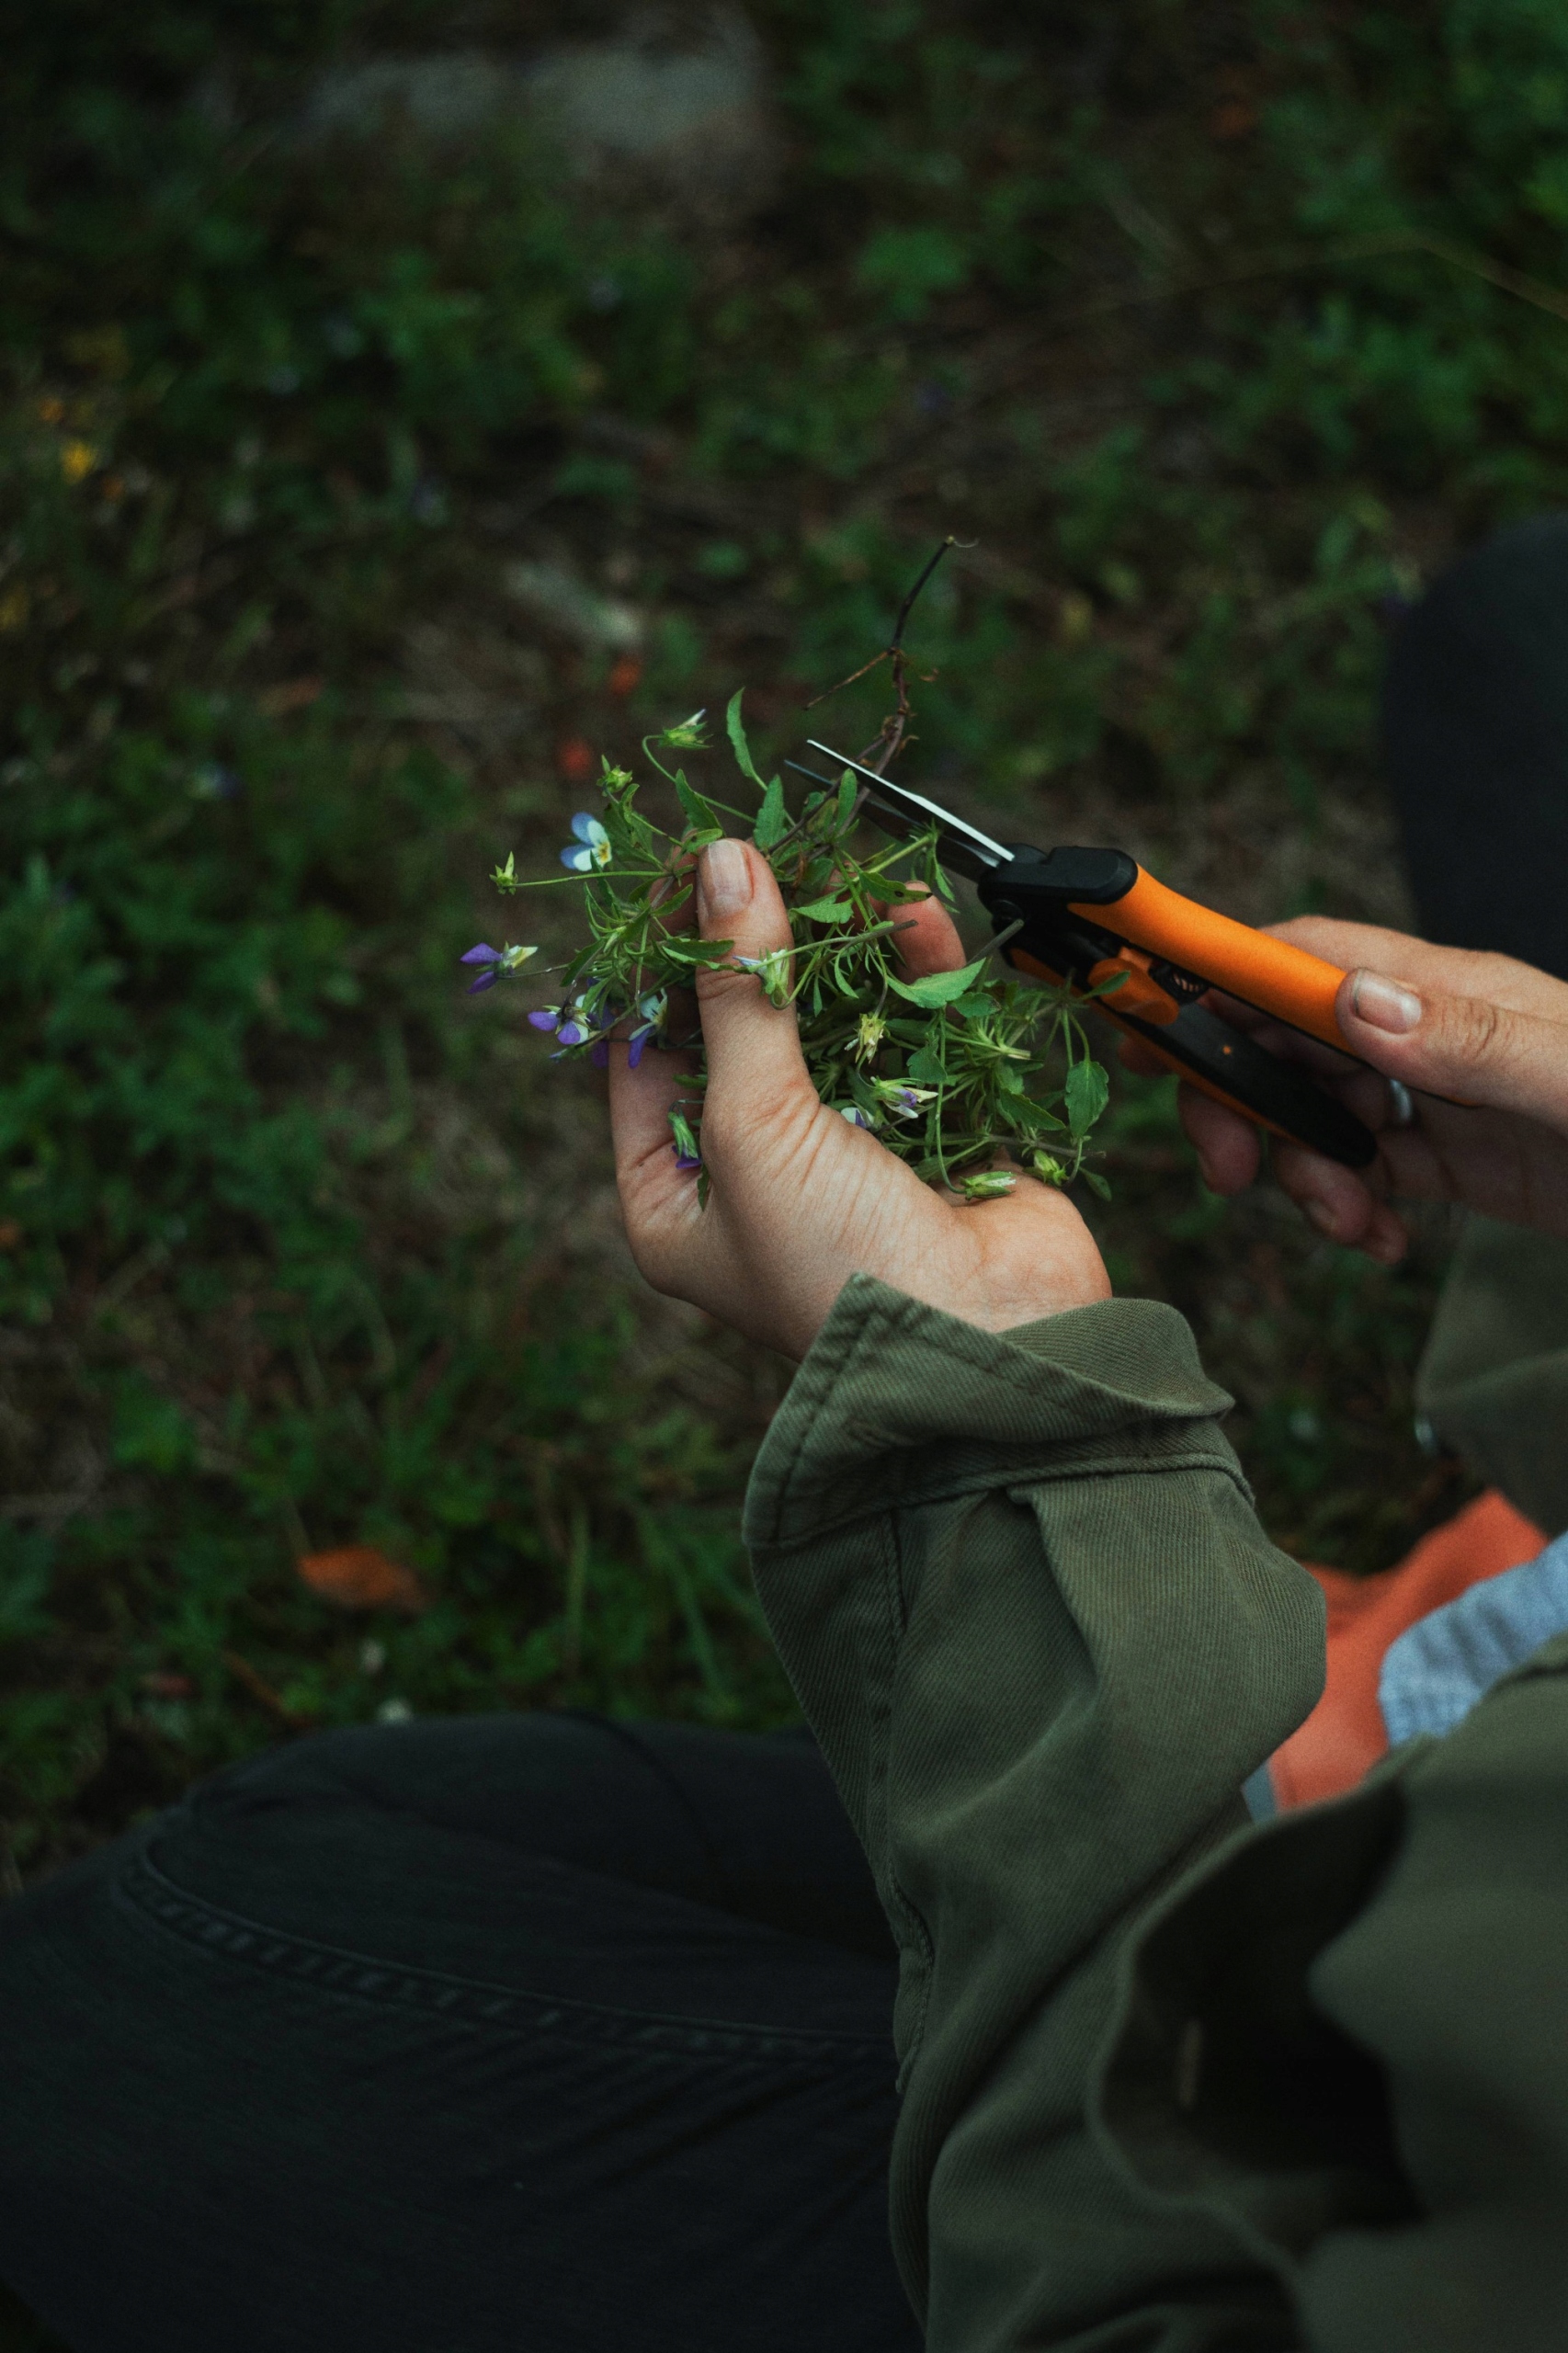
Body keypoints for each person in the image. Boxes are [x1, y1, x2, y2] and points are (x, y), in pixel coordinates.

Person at [3, 522, 1568, 2353]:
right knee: (1520, 636)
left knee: (158, 1960)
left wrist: (999, 1423)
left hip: (1240, 2129)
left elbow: (1122, 2284)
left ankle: (1340, 1732)